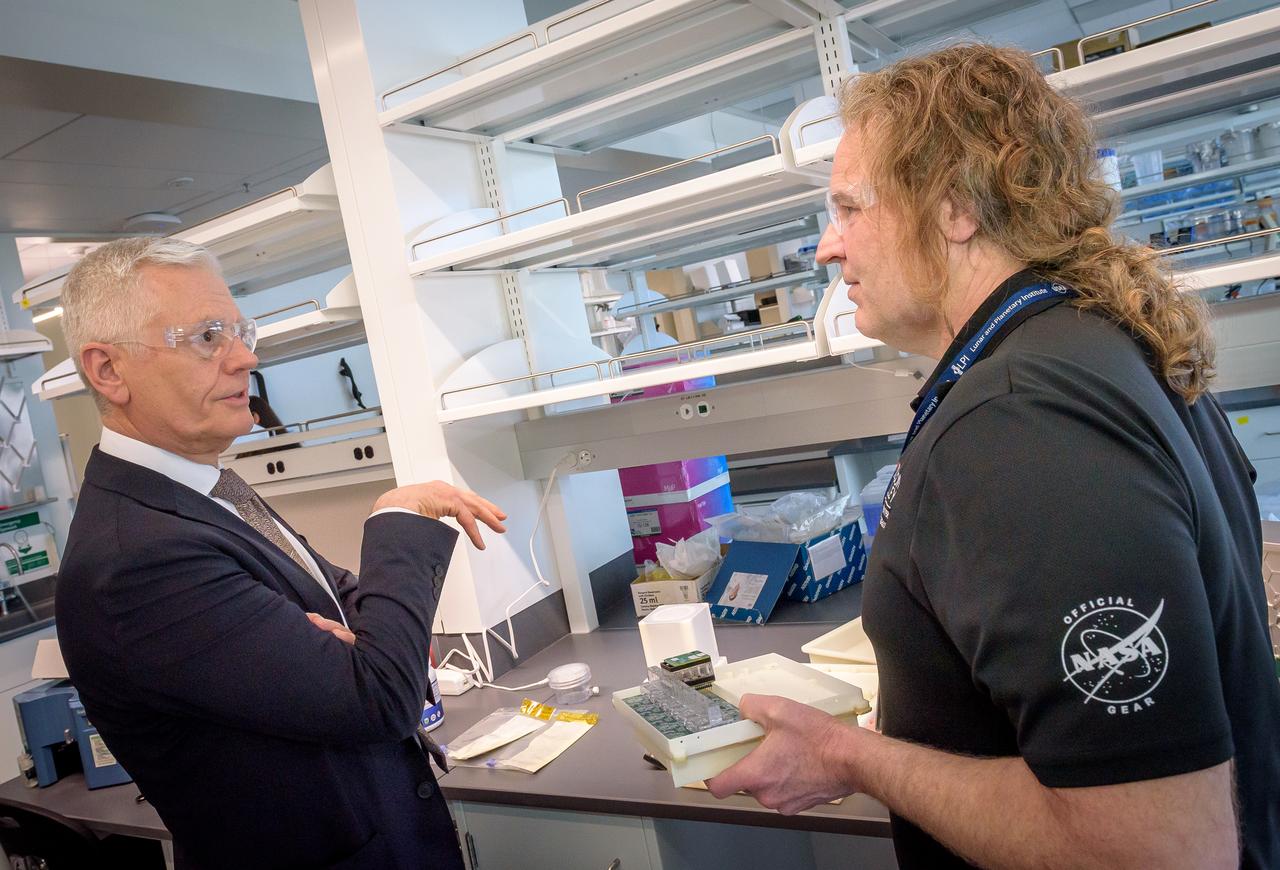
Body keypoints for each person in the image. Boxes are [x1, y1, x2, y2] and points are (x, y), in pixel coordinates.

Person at [707, 44, 1280, 869]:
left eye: (850, 208)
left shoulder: (1024, 420)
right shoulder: (1095, 346)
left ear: (954, 209)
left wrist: (849, 756)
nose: (829, 248)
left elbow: (1158, 851)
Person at [54, 238, 507, 869]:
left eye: (241, 330)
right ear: (108, 370)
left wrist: (361, 641)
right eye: (208, 337)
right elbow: (378, 695)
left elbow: (340, 599)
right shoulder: (135, 560)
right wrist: (396, 520)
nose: (245, 357)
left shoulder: (206, 486)